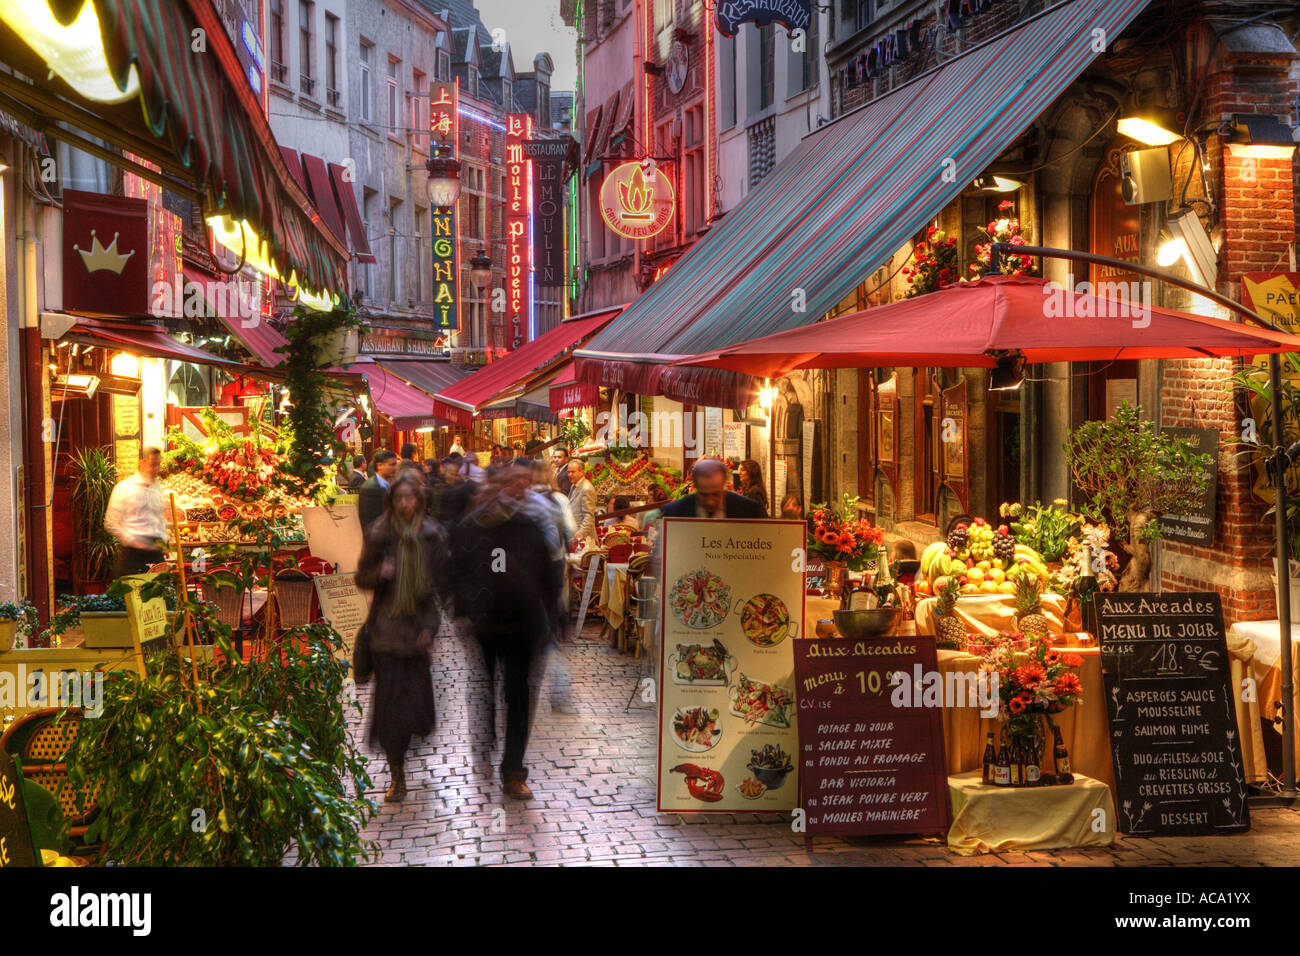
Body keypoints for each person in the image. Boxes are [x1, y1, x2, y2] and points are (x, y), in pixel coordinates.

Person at [451, 467, 563, 799]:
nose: (514, 489)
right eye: (506, 484)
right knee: (484, 690)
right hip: (486, 625)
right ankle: (484, 743)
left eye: (520, 483)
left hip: (523, 626)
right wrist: (465, 611)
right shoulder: (471, 528)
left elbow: (548, 571)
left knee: (518, 697)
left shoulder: (527, 525)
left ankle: (513, 770)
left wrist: (554, 615)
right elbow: (458, 572)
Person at [354, 471, 448, 803]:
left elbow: (437, 589)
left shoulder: (431, 535)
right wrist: (379, 573)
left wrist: (431, 627)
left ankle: (404, 749)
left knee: (413, 706)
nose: (405, 504)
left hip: (417, 631)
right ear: (391, 502)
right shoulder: (379, 533)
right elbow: (360, 577)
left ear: (419, 501)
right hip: (386, 632)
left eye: (411, 498)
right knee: (391, 707)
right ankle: (397, 774)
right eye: (399, 499)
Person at [103, 447, 167, 578]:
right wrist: (133, 541)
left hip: (156, 554)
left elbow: (159, 517)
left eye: (158, 464)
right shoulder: (124, 488)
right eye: (153, 464)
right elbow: (110, 523)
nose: (157, 469)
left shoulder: (157, 487)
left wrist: (164, 537)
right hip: (132, 556)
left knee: (160, 596)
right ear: (141, 462)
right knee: (133, 595)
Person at [660, 458, 768, 520]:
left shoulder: (748, 509)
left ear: (723, 486)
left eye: (716, 494)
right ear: (696, 487)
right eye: (704, 495)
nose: (711, 501)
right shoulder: (674, 512)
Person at [359, 449, 399, 532]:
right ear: (379, 465)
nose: (396, 468)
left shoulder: (392, 484)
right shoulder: (370, 488)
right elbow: (370, 521)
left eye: (396, 464)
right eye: (392, 464)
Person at [566, 459, 598, 542]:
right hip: (574, 535)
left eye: (573, 472)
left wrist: (580, 534)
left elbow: (589, 516)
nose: (570, 474)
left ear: (582, 472)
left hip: (584, 539)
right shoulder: (574, 485)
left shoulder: (586, 488)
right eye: (568, 472)